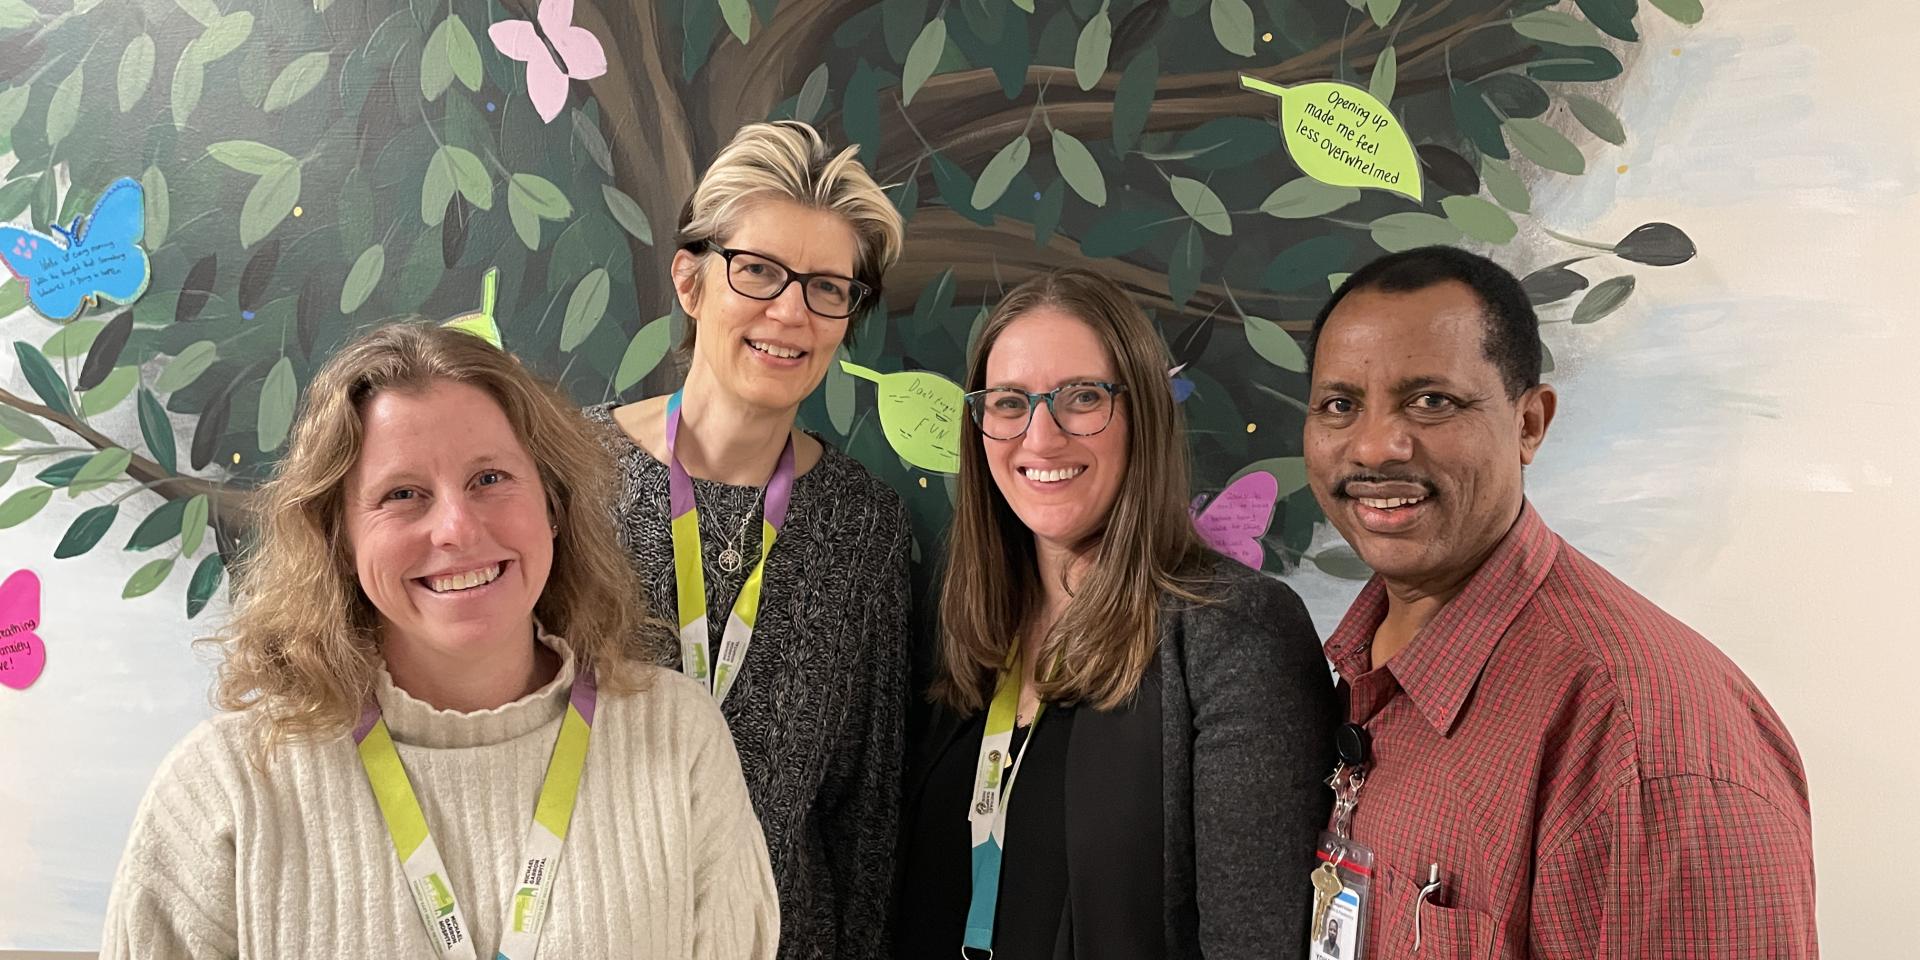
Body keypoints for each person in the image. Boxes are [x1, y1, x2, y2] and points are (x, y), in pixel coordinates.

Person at [102, 324, 777, 959]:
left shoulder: (680, 740)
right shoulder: (225, 792)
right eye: (402, 494)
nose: (455, 528)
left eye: (489, 478)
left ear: (552, 502)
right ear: (339, 538)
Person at [1300, 246, 1816, 958]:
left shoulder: (1643, 744)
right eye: (1340, 405)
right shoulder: (1362, 661)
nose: (1377, 446)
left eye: (1432, 401)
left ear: (1530, 424)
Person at [896, 268, 1338, 960]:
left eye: (1081, 397)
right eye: (1009, 402)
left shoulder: (1237, 632)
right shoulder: (964, 625)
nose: (1040, 438)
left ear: (1142, 416)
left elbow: (1253, 942)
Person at [585, 120, 911, 960]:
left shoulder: (862, 528)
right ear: (691, 282)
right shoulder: (566, 477)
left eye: (828, 288)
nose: (791, 312)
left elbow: (866, 818)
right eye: (759, 271)